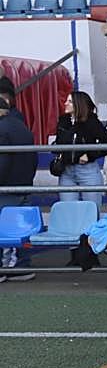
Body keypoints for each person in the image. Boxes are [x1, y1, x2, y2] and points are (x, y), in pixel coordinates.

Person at [54, 90, 107, 209]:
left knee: (92, 210)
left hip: (87, 170)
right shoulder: (63, 121)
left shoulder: (91, 122)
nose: (65, 103)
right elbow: (59, 142)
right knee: (67, 210)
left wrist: (90, 155)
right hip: (66, 170)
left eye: (70, 101)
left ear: (78, 104)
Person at [0, 92, 36, 282]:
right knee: (22, 229)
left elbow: (3, 162)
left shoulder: (2, 130)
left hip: (7, 187)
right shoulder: (21, 126)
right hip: (24, 185)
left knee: (5, 230)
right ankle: (22, 265)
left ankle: (8, 268)